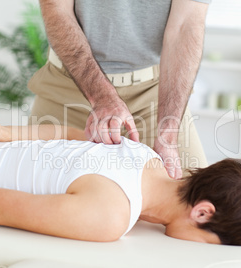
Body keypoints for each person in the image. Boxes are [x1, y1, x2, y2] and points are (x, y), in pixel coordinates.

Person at [0, 109, 241, 245]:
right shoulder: (109, 217)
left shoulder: (145, 156)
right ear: (202, 213)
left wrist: (0, 133)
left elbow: (71, 135)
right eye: (211, 244)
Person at [28, 0, 212, 180]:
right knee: (32, 188)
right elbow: (57, 10)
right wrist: (103, 97)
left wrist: (168, 134)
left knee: (199, 198)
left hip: (153, 95)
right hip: (68, 88)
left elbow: (186, 26)